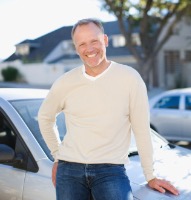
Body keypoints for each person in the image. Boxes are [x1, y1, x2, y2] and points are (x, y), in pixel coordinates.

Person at [38, 18, 179, 200]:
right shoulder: (65, 82)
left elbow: (141, 129)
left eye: (94, 41)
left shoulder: (130, 78)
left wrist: (150, 175)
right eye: (82, 44)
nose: (89, 49)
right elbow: (44, 117)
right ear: (76, 48)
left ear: (105, 40)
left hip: (110, 171)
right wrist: (57, 155)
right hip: (69, 171)